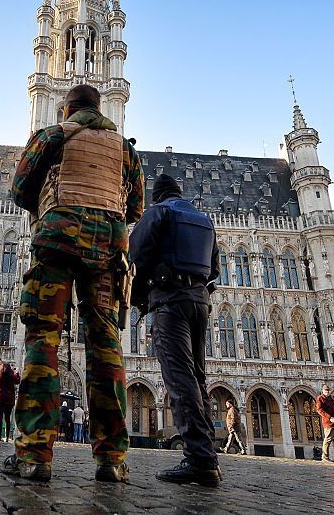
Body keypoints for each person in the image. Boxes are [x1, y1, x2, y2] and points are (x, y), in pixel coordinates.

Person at [0, 84, 144, 484]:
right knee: (106, 346)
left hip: (57, 244)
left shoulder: (52, 135)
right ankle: (112, 459)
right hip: (107, 251)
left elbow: (19, 190)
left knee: (43, 339)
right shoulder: (126, 149)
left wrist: (52, 203)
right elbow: (135, 208)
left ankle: (34, 455)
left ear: (67, 108)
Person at [129, 173, 220, 487]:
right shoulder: (204, 220)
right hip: (200, 302)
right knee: (197, 378)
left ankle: (199, 460)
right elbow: (216, 268)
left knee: (180, 381)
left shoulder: (159, 213)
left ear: (157, 196)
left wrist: (139, 298)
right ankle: (207, 456)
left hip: (169, 301)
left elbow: (135, 258)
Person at [0, 361, 21, 442]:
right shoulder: (11, 376)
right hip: (9, 399)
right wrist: (16, 373)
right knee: (7, 418)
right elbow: (17, 381)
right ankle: (6, 437)